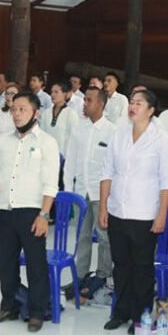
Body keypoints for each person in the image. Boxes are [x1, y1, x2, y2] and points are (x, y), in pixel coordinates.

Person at [100, 90, 168, 334]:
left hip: (145, 213)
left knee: (142, 267)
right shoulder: (119, 134)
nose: (132, 106)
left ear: (151, 110)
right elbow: (107, 172)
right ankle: (120, 311)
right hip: (117, 210)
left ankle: (140, 315)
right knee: (120, 264)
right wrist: (103, 206)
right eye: (131, 102)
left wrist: (162, 214)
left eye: (139, 103)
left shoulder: (161, 139)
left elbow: (167, 181)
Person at [0, 91, 60, 333]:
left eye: (22, 109)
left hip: (32, 213)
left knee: (36, 265)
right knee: (5, 263)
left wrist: (44, 215)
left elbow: (50, 184)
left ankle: (37, 311)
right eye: (14, 109)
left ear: (36, 113)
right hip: (5, 210)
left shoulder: (47, 142)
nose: (16, 114)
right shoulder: (4, 141)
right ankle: (9, 305)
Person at [64, 87, 117, 291]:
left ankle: (102, 276)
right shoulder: (79, 128)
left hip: (101, 194)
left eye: (89, 100)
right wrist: (69, 190)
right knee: (81, 235)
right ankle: (80, 275)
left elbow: (114, 168)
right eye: (84, 99)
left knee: (104, 237)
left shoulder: (112, 131)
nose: (84, 103)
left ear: (101, 104)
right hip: (80, 192)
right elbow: (70, 162)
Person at [40, 80, 76, 153]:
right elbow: (42, 133)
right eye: (52, 92)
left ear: (64, 94)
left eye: (56, 92)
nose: (53, 95)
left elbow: (73, 138)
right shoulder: (46, 113)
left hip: (62, 154)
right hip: (46, 151)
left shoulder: (71, 113)